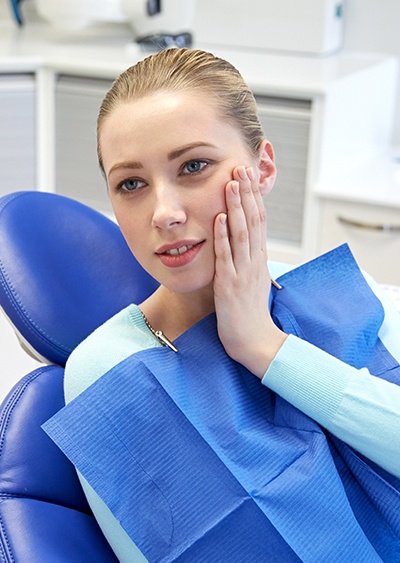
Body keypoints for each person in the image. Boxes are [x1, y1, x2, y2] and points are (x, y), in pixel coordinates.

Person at [52, 48, 400, 561]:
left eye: (194, 166)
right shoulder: (110, 373)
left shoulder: (340, 294)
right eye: (131, 184)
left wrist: (264, 346)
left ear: (262, 168)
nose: (165, 213)